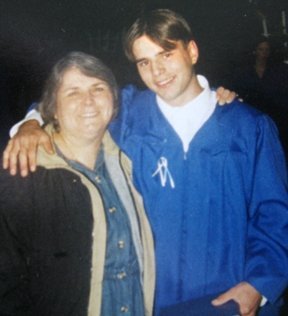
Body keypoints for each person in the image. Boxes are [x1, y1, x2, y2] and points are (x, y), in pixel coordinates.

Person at [3, 9, 288, 316]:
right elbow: (67, 105)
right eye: (144, 62)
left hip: (228, 302)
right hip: (149, 301)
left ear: (191, 51)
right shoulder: (127, 115)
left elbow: (274, 213)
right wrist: (31, 123)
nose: (157, 71)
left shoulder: (249, 127)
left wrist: (258, 285)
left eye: (166, 54)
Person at [0, 52, 155, 315]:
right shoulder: (21, 175)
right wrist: (29, 123)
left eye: (98, 88)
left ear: (114, 103)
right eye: (73, 92)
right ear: (52, 109)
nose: (89, 102)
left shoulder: (130, 160)